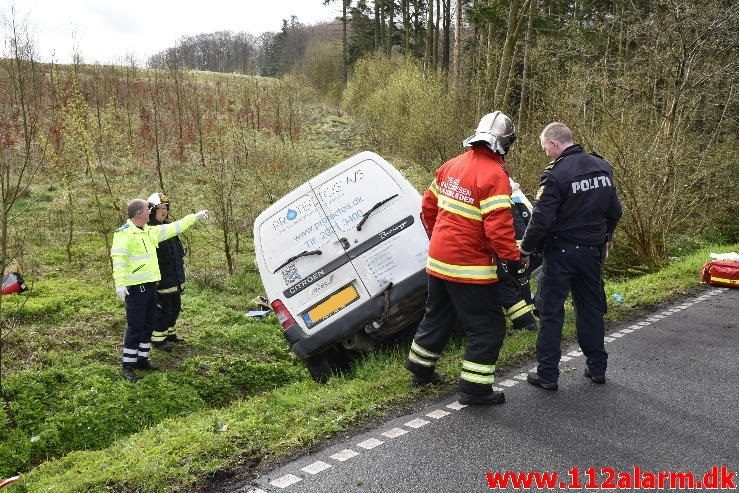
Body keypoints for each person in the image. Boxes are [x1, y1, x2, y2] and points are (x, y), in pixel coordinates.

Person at [405, 111, 526, 406]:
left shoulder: (450, 166)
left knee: (437, 315)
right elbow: (498, 228)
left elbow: (427, 206)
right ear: (506, 144)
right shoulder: (495, 175)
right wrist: (512, 260)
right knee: (487, 326)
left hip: (438, 261)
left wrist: (439, 237)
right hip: (469, 268)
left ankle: (420, 371)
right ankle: (475, 389)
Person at [520, 122, 622, 391]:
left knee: (551, 312)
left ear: (554, 144)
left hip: (561, 253)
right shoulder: (603, 167)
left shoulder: (556, 174)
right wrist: (606, 238)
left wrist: (526, 249)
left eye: (544, 148)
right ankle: (597, 368)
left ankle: (548, 375)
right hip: (592, 252)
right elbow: (614, 212)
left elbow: (541, 220)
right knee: (590, 309)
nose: (545, 153)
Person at [111, 199, 209, 382]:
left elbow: (175, 228)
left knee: (148, 325)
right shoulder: (124, 234)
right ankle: (128, 365)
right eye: (148, 210)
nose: (151, 213)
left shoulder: (150, 231)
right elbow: (119, 260)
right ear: (139, 213)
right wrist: (120, 284)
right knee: (135, 327)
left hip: (150, 287)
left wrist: (194, 217)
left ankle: (142, 359)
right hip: (135, 289)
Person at [497, 178, 540, 332]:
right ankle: (530, 317)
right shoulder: (510, 195)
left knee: (519, 283)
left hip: (517, 247)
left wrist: (520, 251)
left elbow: (518, 225)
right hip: (521, 245)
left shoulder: (504, 200)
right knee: (521, 282)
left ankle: (527, 323)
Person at [147, 192, 187, 352]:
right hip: (161, 280)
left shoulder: (168, 228)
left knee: (175, 307)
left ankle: (169, 333)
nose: (164, 211)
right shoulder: (150, 231)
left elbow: (176, 253)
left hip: (174, 278)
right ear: (151, 210)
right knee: (163, 310)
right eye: (160, 208)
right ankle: (158, 339)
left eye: (166, 208)